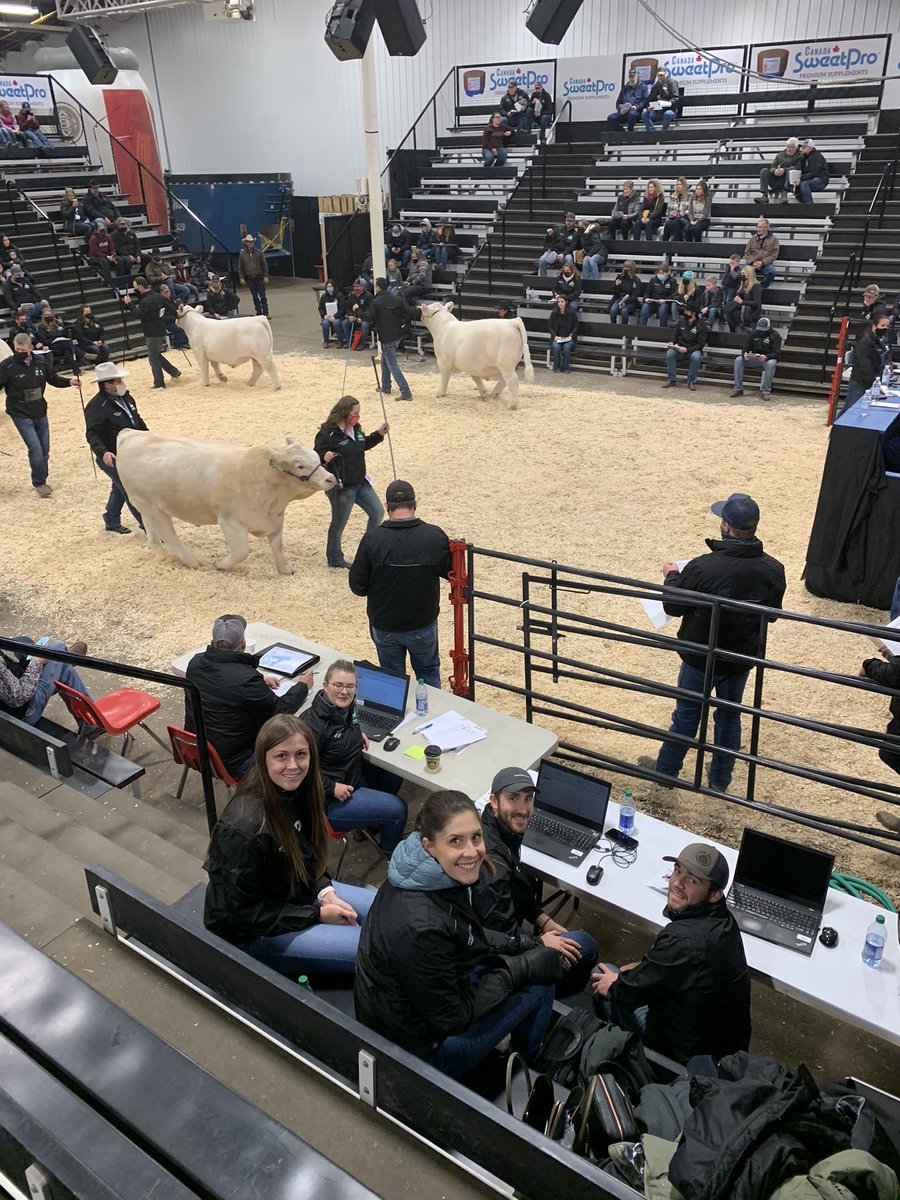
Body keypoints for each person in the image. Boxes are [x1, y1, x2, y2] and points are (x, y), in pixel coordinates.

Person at [354, 790, 563, 1079]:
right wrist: (518, 970)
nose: (472, 851)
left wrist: (526, 943)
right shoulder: (421, 928)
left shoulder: (416, 874)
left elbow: (467, 936)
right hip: (419, 1055)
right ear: (429, 845)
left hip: (406, 1012)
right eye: (456, 841)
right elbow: (453, 1018)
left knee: (533, 958)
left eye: (476, 837)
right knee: (542, 980)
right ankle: (527, 1068)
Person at [204, 714, 374, 978]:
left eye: (301, 755)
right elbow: (238, 914)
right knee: (373, 953)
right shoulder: (242, 828)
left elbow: (305, 857)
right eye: (281, 756)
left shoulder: (300, 790)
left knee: (380, 910)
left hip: (296, 894)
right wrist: (315, 915)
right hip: (252, 932)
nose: (293, 766)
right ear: (263, 759)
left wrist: (324, 892)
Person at [650, 493, 786, 792]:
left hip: (701, 656)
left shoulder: (702, 567)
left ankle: (667, 772)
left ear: (725, 525)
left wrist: (672, 576)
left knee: (686, 715)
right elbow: (772, 615)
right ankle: (719, 780)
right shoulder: (773, 569)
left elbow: (673, 606)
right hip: (740, 658)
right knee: (728, 716)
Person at [591, 843, 751, 1064]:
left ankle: (633, 1058)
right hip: (724, 1050)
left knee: (603, 975)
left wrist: (615, 985)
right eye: (677, 871)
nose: (677, 883)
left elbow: (632, 989)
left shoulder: (682, 941)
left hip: (682, 1056)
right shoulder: (724, 922)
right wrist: (643, 967)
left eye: (692, 880)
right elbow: (680, 966)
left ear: (714, 894)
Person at [476, 767, 598, 995]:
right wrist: (539, 942)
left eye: (528, 799)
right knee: (585, 944)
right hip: (495, 956)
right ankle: (549, 995)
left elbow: (515, 886)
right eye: (513, 798)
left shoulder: (498, 829)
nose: (523, 809)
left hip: (505, 939)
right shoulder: (492, 860)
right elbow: (499, 932)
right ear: (494, 801)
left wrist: (543, 920)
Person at [349, 480, 450, 688]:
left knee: (392, 681)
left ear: (386, 506)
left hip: (384, 623)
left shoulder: (372, 538)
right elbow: (452, 573)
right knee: (429, 675)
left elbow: (357, 586)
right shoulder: (434, 535)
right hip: (422, 623)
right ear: (416, 504)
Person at [185, 615, 313, 779]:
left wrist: (257, 678)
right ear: (244, 645)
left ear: (211, 643)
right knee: (301, 739)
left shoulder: (195, 664)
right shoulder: (246, 680)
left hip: (194, 750)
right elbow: (280, 710)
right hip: (235, 761)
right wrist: (302, 686)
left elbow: (224, 681)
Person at [303, 660, 407, 852]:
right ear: (325, 685)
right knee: (398, 809)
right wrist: (332, 787)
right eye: (338, 685)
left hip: (350, 776)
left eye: (350, 686)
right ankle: (392, 853)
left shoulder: (346, 708)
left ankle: (371, 821)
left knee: (396, 771)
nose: (344, 691)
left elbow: (349, 723)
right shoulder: (311, 726)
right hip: (328, 802)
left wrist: (354, 733)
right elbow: (300, 773)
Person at [314, 395, 387, 570]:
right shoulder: (327, 433)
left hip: (360, 482)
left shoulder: (356, 429)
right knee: (339, 523)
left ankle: (367, 552)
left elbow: (362, 445)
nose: (357, 417)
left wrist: (379, 434)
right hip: (341, 487)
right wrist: (324, 457)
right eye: (355, 414)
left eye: (359, 414)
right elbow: (314, 457)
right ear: (345, 412)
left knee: (377, 512)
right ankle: (335, 558)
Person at [0, 332, 77, 498]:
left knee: (45, 449)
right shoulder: (7, 366)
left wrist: (70, 382)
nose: (19, 352)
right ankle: (39, 482)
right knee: (35, 448)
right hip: (19, 412)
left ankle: (42, 476)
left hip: (39, 409)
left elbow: (54, 379)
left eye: (22, 349)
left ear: (30, 347)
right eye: (16, 349)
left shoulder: (41, 362)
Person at [83, 362, 148, 535]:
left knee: (118, 486)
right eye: (117, 381)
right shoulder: (96, 406)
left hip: (132, 452)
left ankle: (111, 519)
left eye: (121, 380)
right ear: (106, 384)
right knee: (129, 489)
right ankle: (148, 526)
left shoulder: (127, 397)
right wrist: (103, 452)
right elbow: (92, 433)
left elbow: (137, 419)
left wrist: (148, 438)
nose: (121, 383)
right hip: (113, 455)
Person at [0, 637, 90, 725]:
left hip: (12, 706)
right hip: (22, 715)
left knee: (23, 641)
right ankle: (66, 659)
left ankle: (89, 725)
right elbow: (18, 697)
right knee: (57, 648)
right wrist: (36, 663)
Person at [364, 278, 418, 400]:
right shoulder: (396, 298)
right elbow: (410, 311)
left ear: (377, 287)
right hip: (397, 335)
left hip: (386, 336)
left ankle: (405, 391)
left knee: (393, 365)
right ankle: (386, 386)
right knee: (385, 359)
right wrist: (418, 310)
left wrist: (357, 310)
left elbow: (368, 317)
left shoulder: (376, 301)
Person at [132, 276, 181, 389]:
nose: (136, 290)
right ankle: (174, 372)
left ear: (140, 286)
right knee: (156, 355)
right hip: (160, 329)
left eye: (136, 288)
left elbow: (137, 314)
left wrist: (129, 304)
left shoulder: (145, 301)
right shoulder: (159, 297)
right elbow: (171, 309)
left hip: (151, 332)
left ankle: (159, 382)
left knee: (153, 358)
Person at [841, 314, 890, 413]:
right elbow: (864, 364)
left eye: (887, 326)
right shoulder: (864, 341)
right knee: (850, 409)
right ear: (874, 326)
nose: (885, 328)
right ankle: (836, 427)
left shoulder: (877, 339)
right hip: (860, 381)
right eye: (882, 326)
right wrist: (873, 382)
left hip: (871, 380)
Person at [731, 317, 782, 401]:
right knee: (738, 360)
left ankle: (766, 391)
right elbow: (745, 347)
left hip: (767, 359)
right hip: (754, 358)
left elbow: (776, 353)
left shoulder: (775, 335)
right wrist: (745, 355)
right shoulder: (753, 333)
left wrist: (766, 357)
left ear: (769, 327)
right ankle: (738, 388)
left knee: (772, 363)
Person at [664, 308, 706, 391]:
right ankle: (671, 379)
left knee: (696, 357)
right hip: (679, 349)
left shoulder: (701, 325)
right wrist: (672, 343)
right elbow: (675, 335)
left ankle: (691, 380)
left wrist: (687, 349)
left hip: (693, 350)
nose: (685, 313)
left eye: (687, 311)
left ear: (693, 313)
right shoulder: (681, 321)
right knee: (670, 353)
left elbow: (700, 345)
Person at [757, 137, 801, 205]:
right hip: (776, 179)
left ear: (796, 148)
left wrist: (784, 170)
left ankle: (784, 194)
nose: (789, 149)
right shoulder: (780, 155)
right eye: (788, 147)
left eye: (791, 147)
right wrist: (775, 171)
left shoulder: (800, 156)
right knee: (764, 171)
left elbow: (798, 168)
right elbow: (772, 166)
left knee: (792, 169)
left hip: (788, 182)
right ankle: (764, 196)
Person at [87, 222, 129, 287]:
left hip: (108, 256)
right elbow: (95, 252)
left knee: (120, 260)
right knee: (104, 262)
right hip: (95, 257)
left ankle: (121, 281)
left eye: (103, 230)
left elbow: (112, 247)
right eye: (100, 230)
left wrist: (112, 255)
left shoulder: (108, 237)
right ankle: (109, 282)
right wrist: (107, 257)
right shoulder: (93, 239)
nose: (102, 232)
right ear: (96, 230)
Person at [538, 212, 579, 276]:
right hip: (554, 252)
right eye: (567, 220)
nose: (569, 222)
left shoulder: (576, 234)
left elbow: (572, 247)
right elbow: (548, 241)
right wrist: (549, 235)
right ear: (565, 221)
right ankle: (543, 280)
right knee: (542, 260)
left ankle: (568, 280)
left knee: (569, 260)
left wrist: (563, 254)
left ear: (574, 222)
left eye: (571, 221)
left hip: (565, 254)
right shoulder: (558, 229)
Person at [743, 218, 779, 289]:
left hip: (765, 264)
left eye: (760, 227)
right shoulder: (752, 238)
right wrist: (752, 262)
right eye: (757, 227)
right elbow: (747, 252)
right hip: (752, 263)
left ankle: (761, 287)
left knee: (772, 272)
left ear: (766, 228)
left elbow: (774, 254)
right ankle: (747, 288)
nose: (758, 229)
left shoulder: (774, 239)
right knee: (743, 272)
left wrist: (762, 263)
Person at [608, 67, 647, 133]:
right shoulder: (625, 88)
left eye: (633, 76)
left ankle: (630, 132)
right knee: (611, 118)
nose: (632, 78)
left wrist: (636, 107)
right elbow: (618, 102)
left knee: (632, 114)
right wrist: (620, 110)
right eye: (630, 76)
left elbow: (645, 101)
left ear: (637, 77)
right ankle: (623, 133)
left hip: (636, 112)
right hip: (624, 112)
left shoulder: (643, 87)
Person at [238, 233, 269, 316]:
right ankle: (258, 313)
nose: (251, 243)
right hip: (250, 278)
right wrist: (241, 277)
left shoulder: (259, 252)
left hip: (259, 278)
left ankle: (265, 313)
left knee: (263, 296)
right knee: (255, 297)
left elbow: (264, 264)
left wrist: (265, 276)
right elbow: (241, 267)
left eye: (252, 242)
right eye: (249, 242)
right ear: (246, 243)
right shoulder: (242, 254)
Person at [725, 265, 761, 333]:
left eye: (744, 274)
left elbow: (757, 303)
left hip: (752, 309)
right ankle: (733, 330)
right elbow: (738, 295)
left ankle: (740, 327)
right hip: (742, 306)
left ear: (749, 274)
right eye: (741, 274)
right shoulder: (742, 283)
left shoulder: (756, 286)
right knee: (728, 309)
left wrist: (742, 301)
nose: (742, 276)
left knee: (736, 312)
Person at [639, 261, 675, 327]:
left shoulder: (672, 281)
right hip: (653, 301)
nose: (660, 274)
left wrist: (665, 300)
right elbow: (647, 292)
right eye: (659, 272)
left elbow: (673, 295)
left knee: (662, 309)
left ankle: (663, 329)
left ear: (667, 273)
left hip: (665, 302)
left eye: (662, 273)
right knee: (645, 307)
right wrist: (646, 298)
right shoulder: (653, 280)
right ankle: (641, 328)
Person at [794, 138, 829, 204]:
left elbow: (814, 173)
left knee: (804, 184)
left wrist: (801, 178)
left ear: (810, 148)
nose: (802, 149)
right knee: (798, 188)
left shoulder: (816, 156)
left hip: (821, 180)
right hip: (810, 178)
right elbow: (798, 167)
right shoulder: (804, 157)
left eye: (804, 147)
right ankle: (804, 204)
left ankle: (809, 205)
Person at [549, 294, 577, 373]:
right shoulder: (554, 313)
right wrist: (555, 336)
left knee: (567, 347)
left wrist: (571, 335)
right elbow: (550, 327)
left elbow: (576, 326)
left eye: (562, 301)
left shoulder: (572, 312)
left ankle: (566, 367)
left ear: (566, 302)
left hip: (568, 337)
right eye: (558, 302)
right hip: (557, 337)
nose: (560, 303)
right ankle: (556, 367)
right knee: (556, 347)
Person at [609, 260, 640, 324]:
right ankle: (613, 327)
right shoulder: (620, 277)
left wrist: (626, 303)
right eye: (624, 268)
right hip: (619, 299)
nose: (625, 270)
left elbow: (635, 295)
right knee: (613, 310)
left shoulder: (636, 280)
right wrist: (616, 285)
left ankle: (624, 330)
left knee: (624, 311)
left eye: (628, 269)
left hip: (630, 301)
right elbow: (614, 292)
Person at [318, 279, 347, 348]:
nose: (329, 288)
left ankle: (340, 341)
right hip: (328, 316)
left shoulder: (339, 295)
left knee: (336, 323)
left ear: (334, 287)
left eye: (330, 286)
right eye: (328, 286)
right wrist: (324, 315)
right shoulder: (324, 296)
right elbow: (321, 308)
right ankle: (326, 341)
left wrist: (335, 316)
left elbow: (343, 309)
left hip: (338, 316)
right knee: (325, 323)